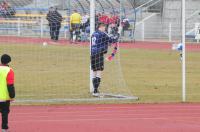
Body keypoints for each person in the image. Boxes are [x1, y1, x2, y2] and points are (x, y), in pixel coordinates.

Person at [90, 23, 119, 96]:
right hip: (99, 54)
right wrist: (118, 35)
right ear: (101, 27)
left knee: (94, 71)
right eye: (104, 27)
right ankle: (95, 91)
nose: (105, 29)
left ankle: (95, 90)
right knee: (99, 71)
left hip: (93, 53)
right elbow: (112, 40)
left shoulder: (93, 33)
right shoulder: (102, 34)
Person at [0, 54, 15, 132]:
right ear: (9, 61)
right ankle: (4, 129)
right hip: (4, 97)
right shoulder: (9, 71)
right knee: (4, 113)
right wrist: (12, 96)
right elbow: (10, 85)